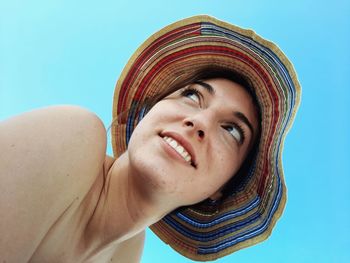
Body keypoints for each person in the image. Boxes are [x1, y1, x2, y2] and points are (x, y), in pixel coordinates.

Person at [0, 15, 301, 262]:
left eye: (232, 130)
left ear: (220, 190)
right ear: (147, 113)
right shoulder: (73, 135)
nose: (199, 121)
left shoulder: (127, 252)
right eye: (192, 95)